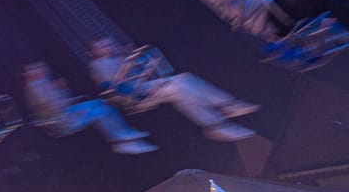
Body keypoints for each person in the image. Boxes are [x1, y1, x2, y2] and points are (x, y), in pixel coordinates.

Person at [86, 39, 257, 141]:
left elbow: (138, 76)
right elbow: (115, 89)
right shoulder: (99, 65)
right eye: (103, 46)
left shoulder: (119, 57)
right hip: (135, 97)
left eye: (109, 44)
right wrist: (128, 70)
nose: (108, 47)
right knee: (179, 89)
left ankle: (228, 105)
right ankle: (215, 126)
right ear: (95, 51)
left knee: (185, 78)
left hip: (144, 87)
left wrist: (144, 70)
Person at [22, 62, 155, 153]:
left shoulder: (44, 83)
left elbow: (60, 101)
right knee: (100, 110)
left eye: (40, 67)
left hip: (66, 112)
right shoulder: (34, 88)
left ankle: (124, 135)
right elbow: (50, 108)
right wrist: (72, 104)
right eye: (36, 68)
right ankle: (121, 141)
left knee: (102, 104)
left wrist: (64, 91)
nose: (41, 69)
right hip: (61, 120)